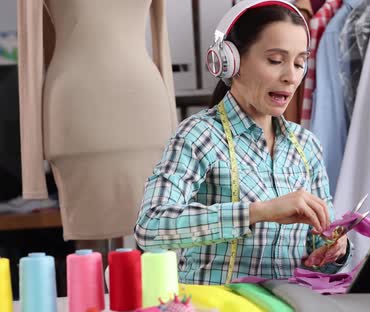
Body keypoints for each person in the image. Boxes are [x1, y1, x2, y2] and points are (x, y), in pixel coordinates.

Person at [135, 0, 350, 285]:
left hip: (288, 303)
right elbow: (150, 228)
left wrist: (333, 250)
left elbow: (316, 252)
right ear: (231, 62)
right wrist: (258, 212)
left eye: (299, 63)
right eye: (275, 61)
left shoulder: (306, 145)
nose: (291, 76)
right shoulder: (199, 136)